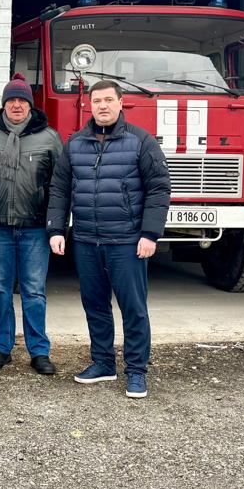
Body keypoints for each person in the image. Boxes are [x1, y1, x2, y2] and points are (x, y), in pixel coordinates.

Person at [47, 80, 170, 399]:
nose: (102, 106)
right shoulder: (75, 143)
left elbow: (159, 189)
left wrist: (150, 233)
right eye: (96, 100)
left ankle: (137, 371)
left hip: (127, 242)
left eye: (108, 100)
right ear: (89, 104)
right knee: (95, 305)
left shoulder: (141, 141)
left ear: (120, 103)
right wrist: (56, 229)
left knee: (133, 308)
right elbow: (60, 188)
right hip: (87, 240)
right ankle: (103, 363)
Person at [0, 79, 63, 375]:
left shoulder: (49, 138)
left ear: (30, 105)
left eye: (22, 100)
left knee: (34, 292)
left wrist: (56, 227)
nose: (16, 105)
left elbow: (60, 187)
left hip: (35, 229)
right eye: (11, 100)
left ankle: (39, 351)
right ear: (3, 104)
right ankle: (1, 348)